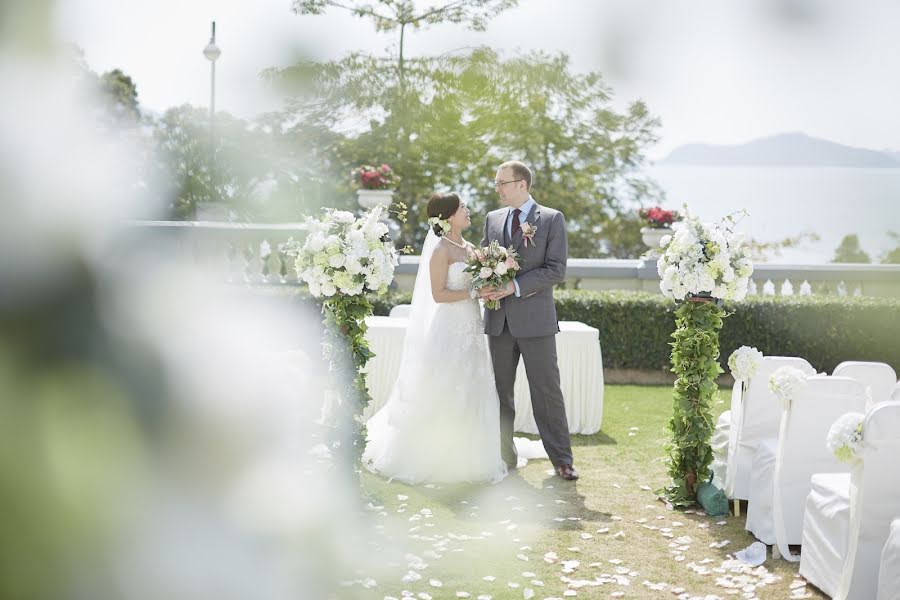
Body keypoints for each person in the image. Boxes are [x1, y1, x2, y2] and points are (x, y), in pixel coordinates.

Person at [363, 192, 508, 484]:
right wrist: (474, 293)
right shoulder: (441, 250)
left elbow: (479, 282)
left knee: (472, 387)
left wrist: (491, 287)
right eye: (462, 207)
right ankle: (432, 455)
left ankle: (469, 457)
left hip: (472, 326)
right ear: (449, 215)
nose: (468, 211)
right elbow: (438, 295)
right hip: (449, 328)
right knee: (445, 387)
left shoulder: (470, 248)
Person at [481, 160, 578, 481]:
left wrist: (513, 286)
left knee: (547, 392)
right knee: (499, 393)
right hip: (498, 323)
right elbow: (483, 260)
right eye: (496, 183)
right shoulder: (492, 219)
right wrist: (484, 285)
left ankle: (562, 460)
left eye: (502, 183)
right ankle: (503, 457)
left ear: (522, 184)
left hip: (536, 323)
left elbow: (556, 269)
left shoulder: (551, 219)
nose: (497, 189)